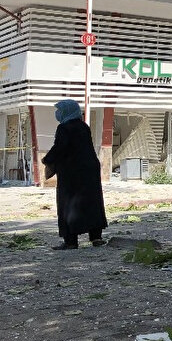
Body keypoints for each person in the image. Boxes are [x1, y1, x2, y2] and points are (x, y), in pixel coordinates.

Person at [42, 99, 108, 250]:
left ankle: (71, 241)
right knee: (92, 201)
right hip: (89, 169)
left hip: (72, 172)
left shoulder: (64, 128)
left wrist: (47, 159)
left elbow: (60, 148)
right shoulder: (83, 126)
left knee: (69, 204)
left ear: (66, 111)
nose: (57, 113)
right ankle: (96, 237)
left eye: (59, 110)